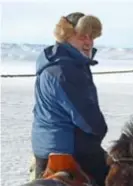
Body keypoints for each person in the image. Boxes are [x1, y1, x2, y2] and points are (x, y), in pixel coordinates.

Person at [31, 12, 109, 186]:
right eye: (82, 37)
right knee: (120, 177)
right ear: (66, 37)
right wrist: (100, 129)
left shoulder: (54, 62)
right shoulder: (67, 70)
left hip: (45, 146)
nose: (88, 42)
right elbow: (88, 121)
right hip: (68, 149)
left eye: (91, 37)